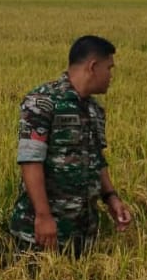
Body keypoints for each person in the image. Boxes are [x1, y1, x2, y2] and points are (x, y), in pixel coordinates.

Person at [10, 35, 132, 256]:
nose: (111, 76)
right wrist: (43, 216)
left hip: (84, 231)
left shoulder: (95, 110)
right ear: (93, 66)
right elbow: (30, 161)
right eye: (109, 68)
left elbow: (97, 158)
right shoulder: (43, 101)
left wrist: (111, 198)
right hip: (44, 231)